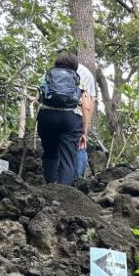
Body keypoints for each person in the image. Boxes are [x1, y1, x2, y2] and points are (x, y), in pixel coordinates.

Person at [36, 51, 94, 185]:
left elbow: (38, 98)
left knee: (50, 153)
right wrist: (84, 132)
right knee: (68, 159)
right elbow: (86, 107)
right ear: (75, 65)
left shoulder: (47, 76)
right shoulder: (78, 79)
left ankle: (50, 187)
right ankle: (63, 194)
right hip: (70, 120)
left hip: (47, 117)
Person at [73, 61, 98, 180]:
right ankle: (77, 180)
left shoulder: (55, 70)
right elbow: (88, 104)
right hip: (75, 116)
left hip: (52, 114)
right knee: (80, 146)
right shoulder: (86, 74)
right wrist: (85, 130)